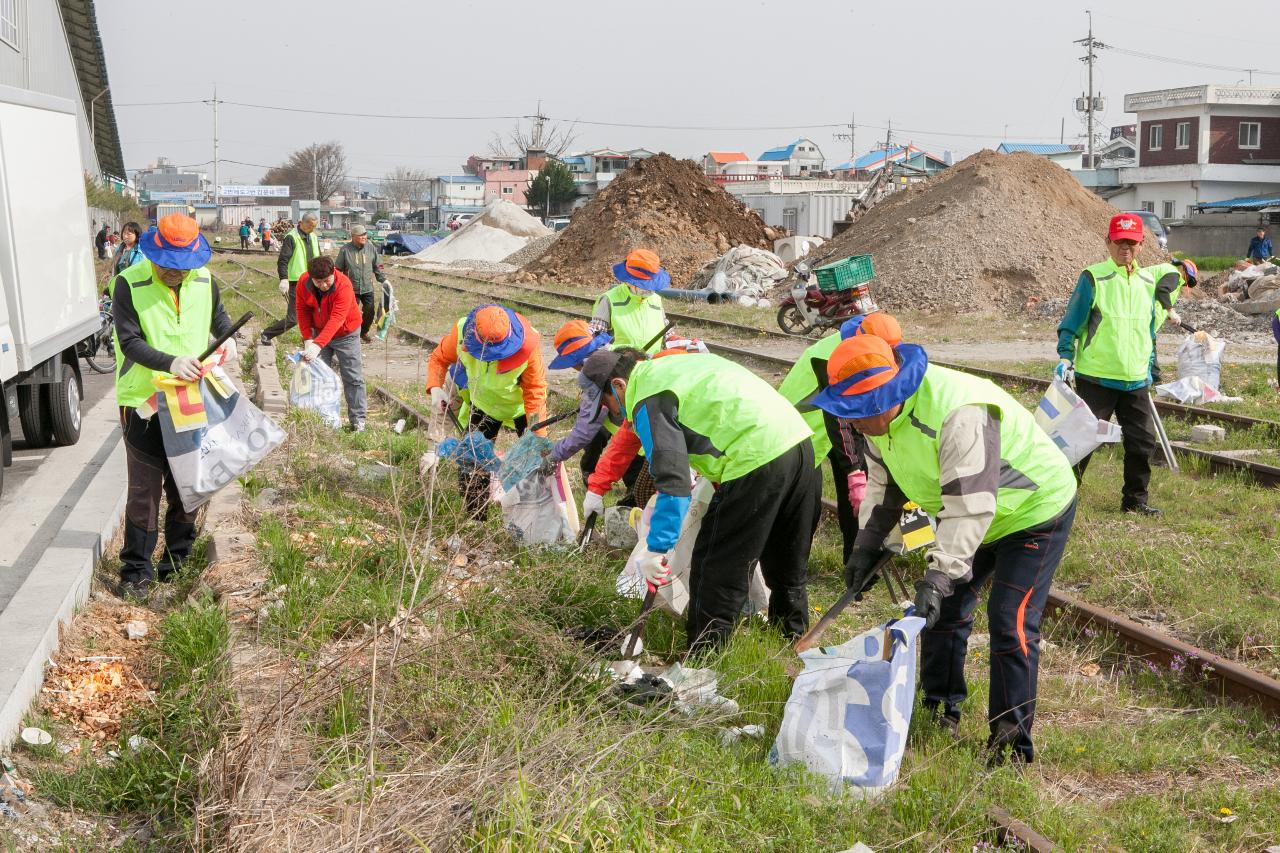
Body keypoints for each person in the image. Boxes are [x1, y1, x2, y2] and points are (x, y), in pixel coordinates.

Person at [814, 335, 1077, 765]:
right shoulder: (879, 421)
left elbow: (969, 508)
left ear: (887, 397)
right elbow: (886, 486)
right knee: (942, 613)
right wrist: (865, 547)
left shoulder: (959, 415)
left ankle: (1010, 746)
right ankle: (940, 709)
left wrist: (939, 576)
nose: (851, 424)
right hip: (977, 514)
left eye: (857, 413)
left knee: (1010, 621)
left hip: (1033, 511)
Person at [581, 347, 820, 653]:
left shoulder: (647, 397)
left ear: (619, 385)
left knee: (717, 564)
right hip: (798, 441)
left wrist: (656, 548)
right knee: (786, 556)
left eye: (607, 404)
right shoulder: (673, 369)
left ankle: (706, 655)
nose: (615, 412)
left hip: (754, 458)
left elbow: (674, 481)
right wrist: (597, 485)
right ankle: (790, 640)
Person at [111, 214, 235, 598]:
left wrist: (228, 337)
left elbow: (218, 317)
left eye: (183, 268)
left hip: (188, 400)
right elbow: (129, 341)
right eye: (168, 266)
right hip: (144, 402)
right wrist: (170, 362)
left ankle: (176, 563)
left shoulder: (204, 280)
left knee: (187, 483)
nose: (176, 274)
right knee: (145, 488)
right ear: (154, 253)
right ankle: (136, 571)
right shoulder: (128, 284)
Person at [1056, 213, 1161, 515]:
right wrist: (1065, 354)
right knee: (1081, 444)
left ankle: (1135, 502)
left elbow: (1149, 329)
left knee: (1142, 443)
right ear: (1108, 242)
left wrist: (1151, 366)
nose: (1124, 248)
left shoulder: (1147, 281)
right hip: (1097, 378)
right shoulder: (1092, 276)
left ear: (1141, 244)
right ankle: (1060, 501)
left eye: (1131, 242)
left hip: (1135, 380)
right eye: (1119, 242)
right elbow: (1072, 321)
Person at [777, 312, 902, 563]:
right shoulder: (835, 357)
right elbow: (838, 420)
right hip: (800, 432)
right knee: (805, 508)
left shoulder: (866, 349)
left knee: (856, 493)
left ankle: (853, 562)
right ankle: (793, 572)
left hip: (835, 425)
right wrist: (854, 471)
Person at [425, 305, 548, 518]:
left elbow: (535, 392)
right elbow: (439, 358)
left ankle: (531, 517)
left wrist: (537, 437)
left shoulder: (529, 344)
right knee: (471, 462)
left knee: (532, 464)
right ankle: (476, 516)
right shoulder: (462, 330)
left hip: (518, 408)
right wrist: (435, 386)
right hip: (483, 405)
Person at [295, 256, 366, 432]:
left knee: (352, 376)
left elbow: (337, 319)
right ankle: (323, 419)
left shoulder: (344, 285)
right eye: (318, 282)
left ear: (333, 272)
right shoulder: (303, 283)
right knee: (319, 376)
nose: (324, 285)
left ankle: (358, 421)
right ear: (311, 278)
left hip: (346, 333)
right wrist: (307, 339)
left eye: (327, 281)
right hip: (319, 332)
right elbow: (302, 310)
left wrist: (317, 345)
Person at [588, 249, 669, 354]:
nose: (650, 290)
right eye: (645, 286)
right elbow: (596, 336)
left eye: (652, 286)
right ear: (629, 282)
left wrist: (681, 342)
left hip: (651, 365)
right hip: (619, 365)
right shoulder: (609, 299)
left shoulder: (656, 299)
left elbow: (667, 333)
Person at [260, 212, 320, 344]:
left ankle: (315, 341)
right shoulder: (291, 237)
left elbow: (319, 258)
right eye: (310, 226)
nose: (312, 229)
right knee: (293, 319)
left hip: (314, 282)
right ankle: (267, 334)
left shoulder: (314, 237)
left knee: (316, 313)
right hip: (296, 283)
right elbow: (283, 260)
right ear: (302, 223)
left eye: (314, 227)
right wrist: (284, 279)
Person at [334, 224, 390, 343]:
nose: (364, 237)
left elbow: (378, 266)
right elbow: (337, 269)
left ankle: (363, 332)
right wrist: (336, 285)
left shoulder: (371, 249)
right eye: (361, 235)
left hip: (367, 287)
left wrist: (383, 280)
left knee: (369, 312)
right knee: (350, 314)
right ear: (353, 236)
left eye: (365, 234)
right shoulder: (345, 250)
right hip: (350, 288)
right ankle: (349, 335)